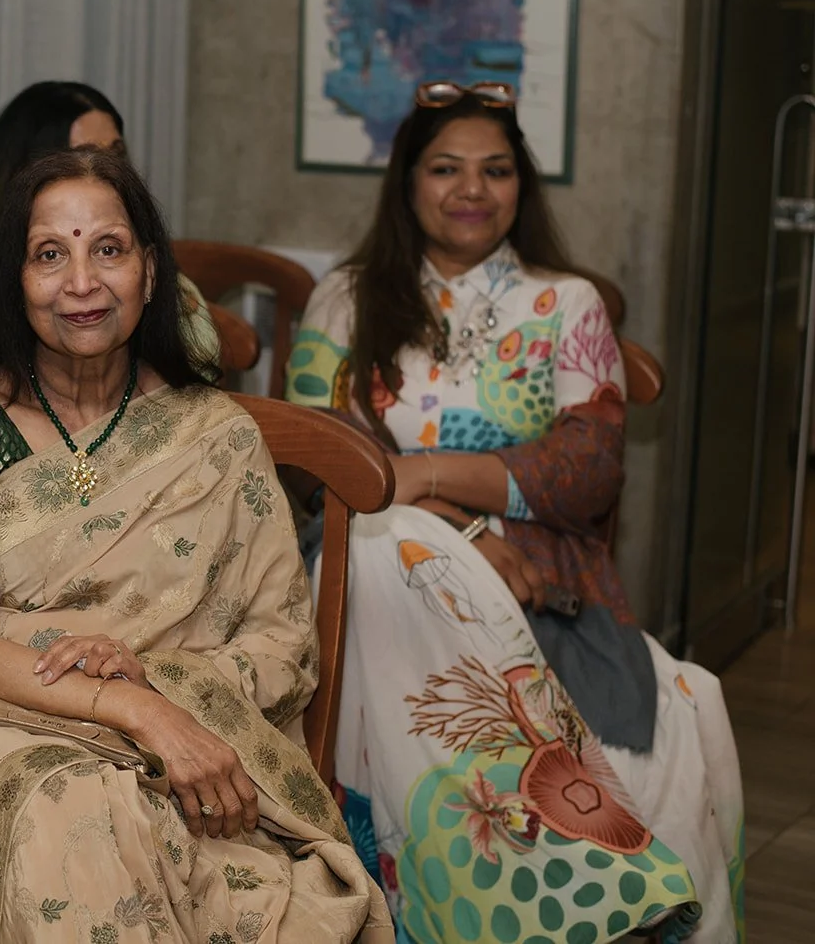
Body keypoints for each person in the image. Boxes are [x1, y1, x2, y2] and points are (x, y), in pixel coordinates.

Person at [0, 147, 393, 943]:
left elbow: (284, 645)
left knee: (142, 840)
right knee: (60, 816)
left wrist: (162, 680)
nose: (81, 282)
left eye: (107, 249)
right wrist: (140, 711)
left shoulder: (215, 437)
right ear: (14, 279)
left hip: (196, 755)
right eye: (50, 255)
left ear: (149, 270)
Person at [284, 82, 745, 942]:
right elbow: (316, 465)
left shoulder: (567, 304)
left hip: (532, 576)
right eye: (446, 168)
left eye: (496, 170)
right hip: (364, 561)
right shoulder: (346, 298)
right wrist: (455, 526)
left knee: (396, 536)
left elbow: (585, 470)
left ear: (521, 188)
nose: (472, 189)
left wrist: (415, 474)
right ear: (408, 182)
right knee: (393, 547)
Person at [0, 80, 220, 395]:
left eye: (117, 155)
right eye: (49, 256)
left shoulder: (168, 292)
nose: (101, 172)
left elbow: (202, 408)